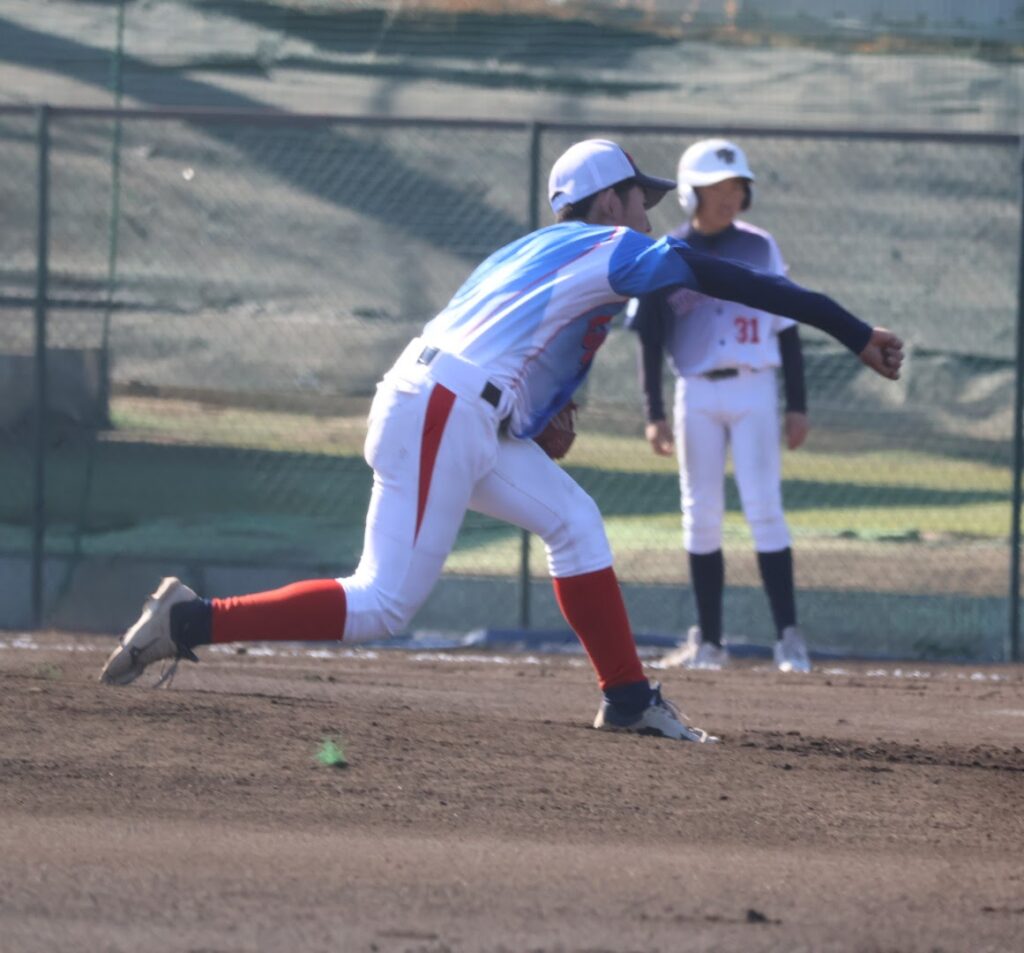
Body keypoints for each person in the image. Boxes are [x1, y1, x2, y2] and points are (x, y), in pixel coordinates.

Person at [99, 139, 903, 742]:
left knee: (575, 521)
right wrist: (852, 330)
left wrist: (535, 414)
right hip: (445, 408)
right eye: (640, 197)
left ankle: (628, 698)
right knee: (381, 601)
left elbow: (512, 361)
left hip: (449, 407)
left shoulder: (523, 252)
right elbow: (732, 278)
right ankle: (192, 619)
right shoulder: (611, 245)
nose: (649, 215)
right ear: (609, 202)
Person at [628, 138, 820, 672]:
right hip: (695, 391)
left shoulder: (761, 246)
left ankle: (788, 638)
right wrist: (653, 412)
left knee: (765, 508)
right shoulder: (668, 252)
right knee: (700, 513)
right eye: (718, 187)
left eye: (738, 186)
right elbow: (648, 337)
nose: (731, 195)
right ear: (691, 193)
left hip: (754, 386)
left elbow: (787, 327)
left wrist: (797, 404)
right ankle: (709, 642)